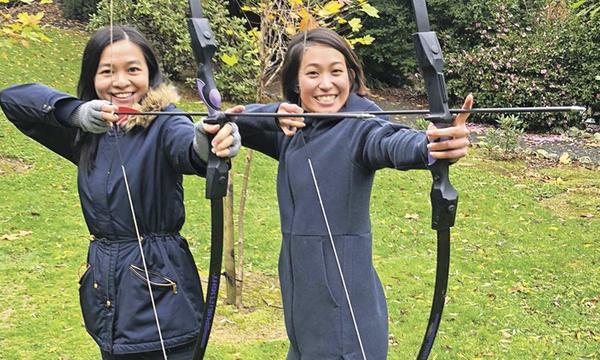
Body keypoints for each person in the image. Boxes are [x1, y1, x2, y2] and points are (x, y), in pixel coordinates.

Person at [229, 27, 471, 359]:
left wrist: (433, 146)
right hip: (303, 314)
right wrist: (274, 114)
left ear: (351, 75)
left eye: (336, 71)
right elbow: (228, 120)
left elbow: (390, 141)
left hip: (347, 319)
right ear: (296, 83)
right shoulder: (289, 129)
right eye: (313, 73)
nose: (326, 83)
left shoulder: (360, 125)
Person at [0, 25, 240, 359]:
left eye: (133, 69)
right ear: (92, 77)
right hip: (108, 300)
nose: (121, 82)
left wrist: (209, 142)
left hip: (162, 298)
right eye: (107, 71)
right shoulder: (86, 132)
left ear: (149, 74)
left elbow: (189, 148)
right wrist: (76, 112)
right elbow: (12, 99)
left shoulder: (163, 121)